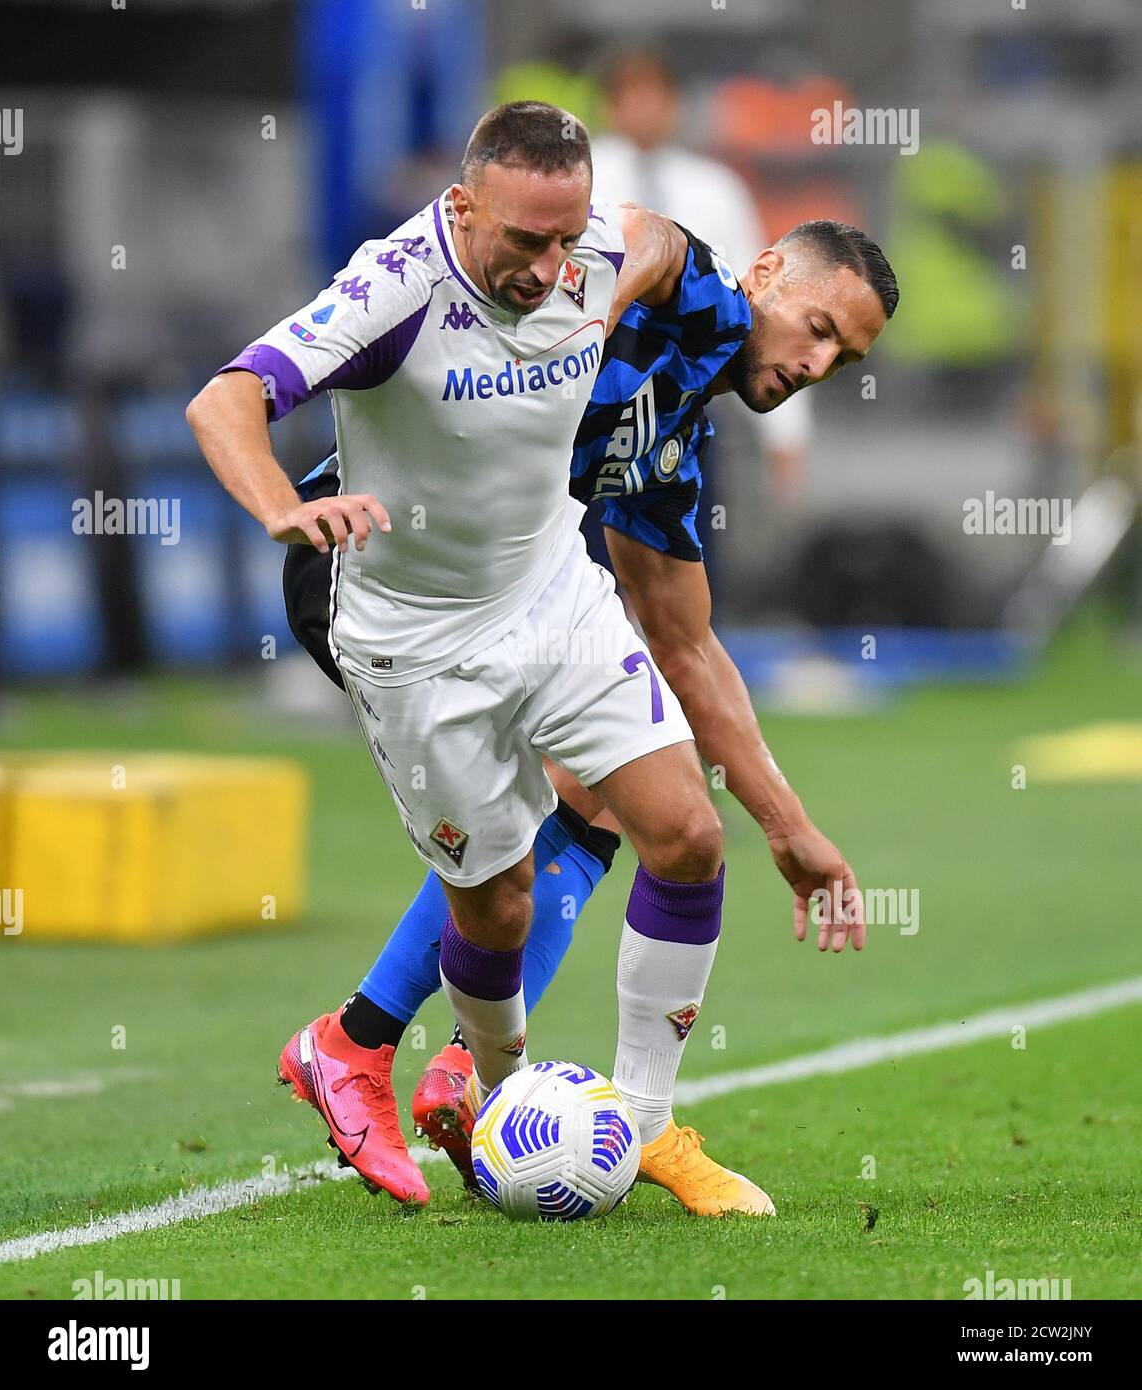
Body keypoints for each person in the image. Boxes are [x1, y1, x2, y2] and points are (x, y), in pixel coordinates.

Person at [279, 216, 896, 1202]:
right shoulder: (700, 299)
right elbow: (653, 239)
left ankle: (605, 1114)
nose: (818, 362)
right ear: (769, 270)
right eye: (817, 326)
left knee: (678, 827)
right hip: (372, 574)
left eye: (844, 354)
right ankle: (368, 1047)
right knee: (523, 844)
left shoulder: (666, 445)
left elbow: (688, 645)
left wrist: (788, 828)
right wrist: (598, 307)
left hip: (503, 603)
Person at [591, 46, 811, 500]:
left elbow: (760, 303)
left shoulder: (716, 190)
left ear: (676, 107)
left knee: (686, 551)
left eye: (657, 97)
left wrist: (786, 431)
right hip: (591, 401)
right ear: (610, 105)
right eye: (632, 96)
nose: (645, 110)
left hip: (690, 404)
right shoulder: (582, 181)